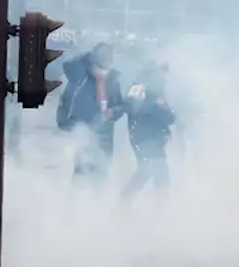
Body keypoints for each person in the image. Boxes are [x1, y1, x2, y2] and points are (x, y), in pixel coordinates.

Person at [57, 42, 124, 186]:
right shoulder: (81, 74)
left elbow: (120, 105)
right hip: (85, 129)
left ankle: (97, 204)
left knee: (102, 173)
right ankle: (72, 205)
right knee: (80, 172)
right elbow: (67, 67)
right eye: (102, 55)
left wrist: (112, 112)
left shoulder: (113, 78)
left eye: (109, 55)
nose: (106, 59)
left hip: (106, 133)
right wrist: (87, 59)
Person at [121, 74, 176, 197]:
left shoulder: (137, 91)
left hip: (141, 139)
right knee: (160, 175)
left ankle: (124, 201)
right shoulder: (152, 96)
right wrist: (167, 112)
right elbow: (168, 118)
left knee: (145, 171)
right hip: (149, 140)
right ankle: (161, 208)